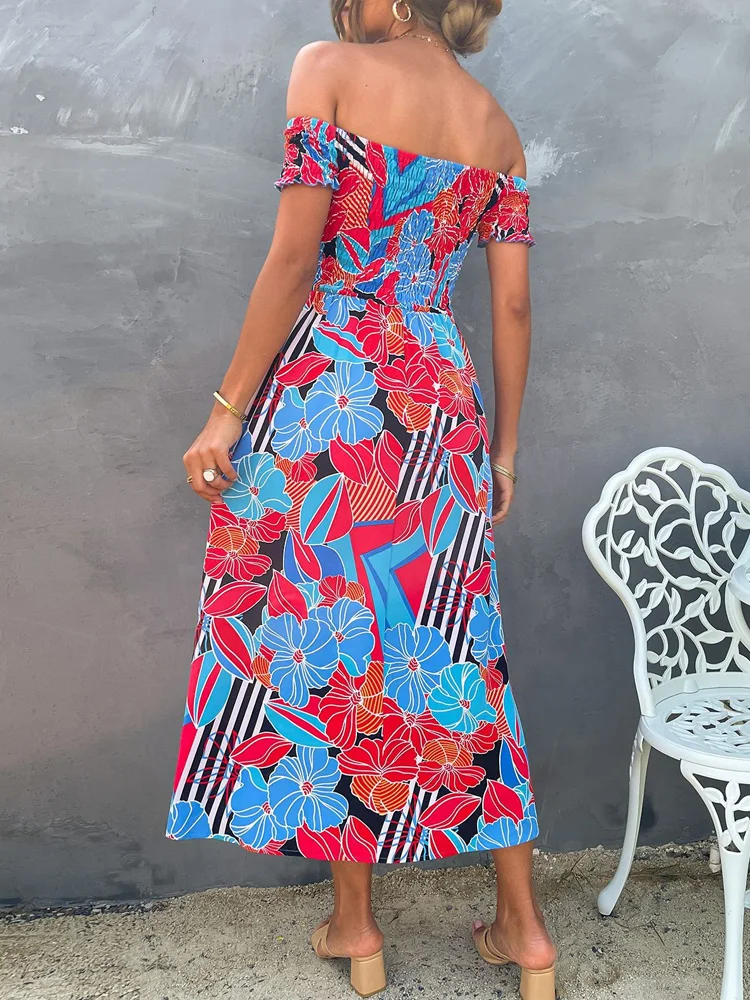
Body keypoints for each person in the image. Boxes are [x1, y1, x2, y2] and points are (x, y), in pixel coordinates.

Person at [165, 0, 557, 996]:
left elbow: (297, 258)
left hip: (332, 388)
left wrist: (224, 412)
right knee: (462, 656)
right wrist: (505, 453)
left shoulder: (328, 69)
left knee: (333, 642)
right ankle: (525, 931)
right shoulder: (498, 128)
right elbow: (513, 304)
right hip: (439, 401)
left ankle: (358, 926)